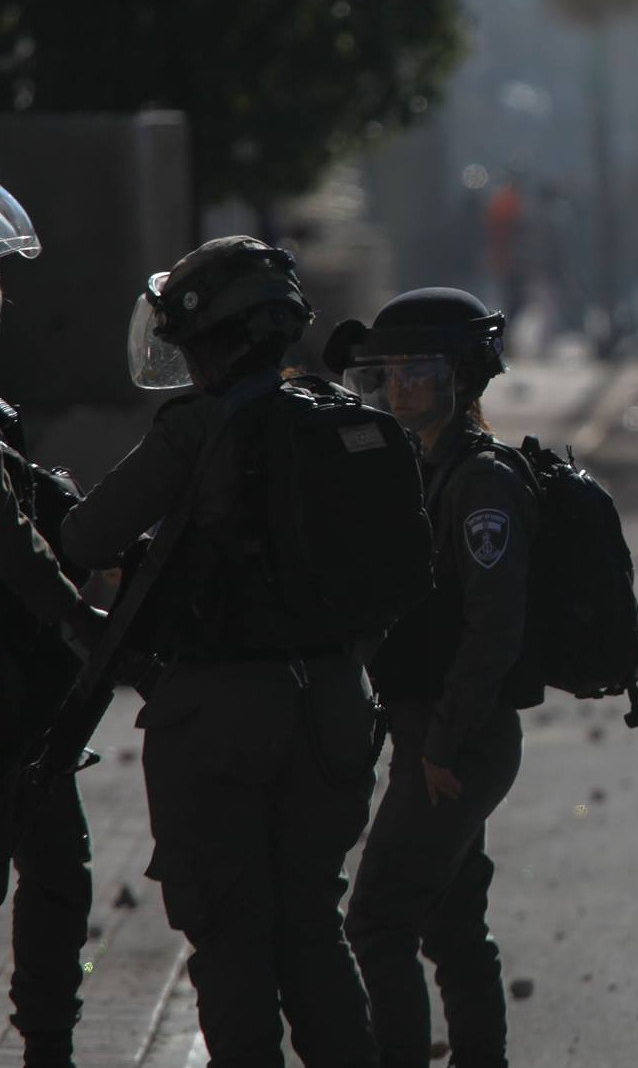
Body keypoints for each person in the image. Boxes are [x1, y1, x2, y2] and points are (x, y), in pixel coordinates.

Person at [61, 236, 381, 1068]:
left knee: (233, 939)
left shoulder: (195, 429)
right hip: (338, 703)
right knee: (312, 924)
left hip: (221, 715)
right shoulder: (339, 420)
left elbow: (86, 532)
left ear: (211, 337)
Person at [324, 288, 540, 1068]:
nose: (402, 384)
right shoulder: (421, 466)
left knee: (377, 922)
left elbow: (494, 627)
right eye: (388, 370)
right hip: (430, 729)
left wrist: (444, 742)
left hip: (459, 736)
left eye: (420, 367)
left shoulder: (482, 482)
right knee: (450, 925)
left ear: (463, 375)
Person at [0, 184, 103, 1068]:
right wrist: (84, 621)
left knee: (58, 872)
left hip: (22, 696)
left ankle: (49, 1044)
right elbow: (14, 545)